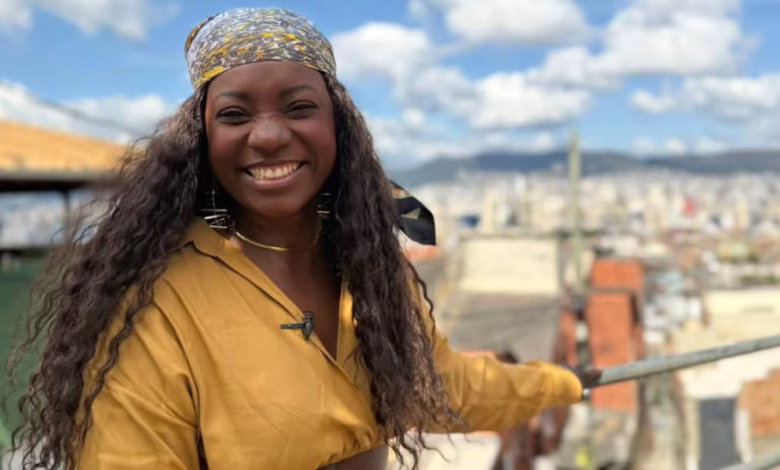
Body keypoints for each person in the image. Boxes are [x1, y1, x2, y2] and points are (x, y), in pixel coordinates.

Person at [7, 7, 600, 470]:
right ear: (202, 141)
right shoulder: (157, 306)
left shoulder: (372, 269)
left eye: (298, 107)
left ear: (338, 127)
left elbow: (438, 385)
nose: (268, 136)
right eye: (235, 115)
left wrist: (561, 382)